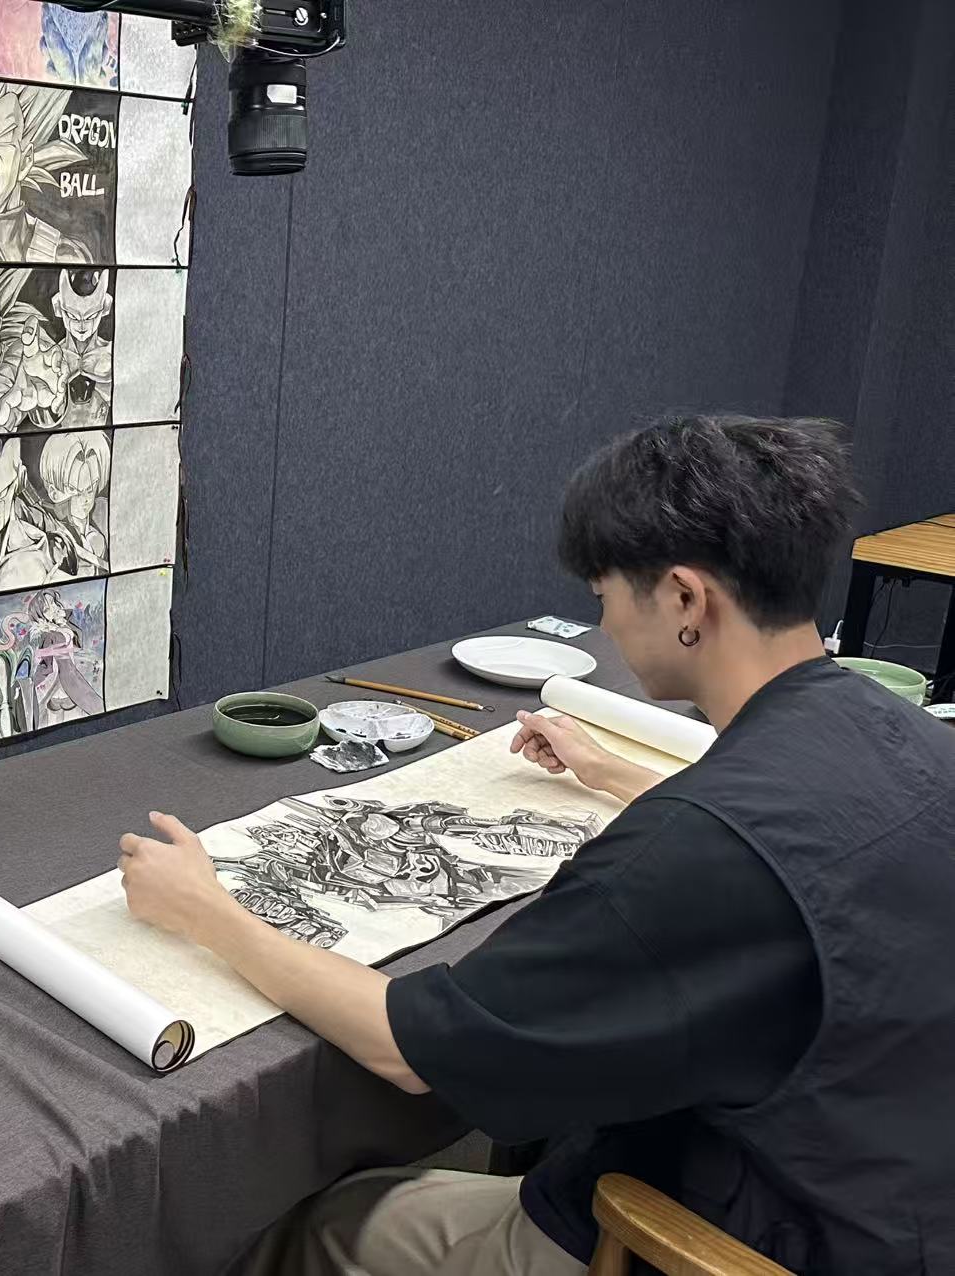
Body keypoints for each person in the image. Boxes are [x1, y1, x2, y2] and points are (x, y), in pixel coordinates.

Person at [118, 415, 955, 1275]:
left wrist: (207, 912)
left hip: (751, 1232)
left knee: (327, 1225)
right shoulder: (905, 733)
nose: (607, 625)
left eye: (604, 596)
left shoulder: (680, 857)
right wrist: (614, 773)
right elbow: (796, 840)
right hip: (898, 1190)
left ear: (684, 599)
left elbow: (408, 1049)